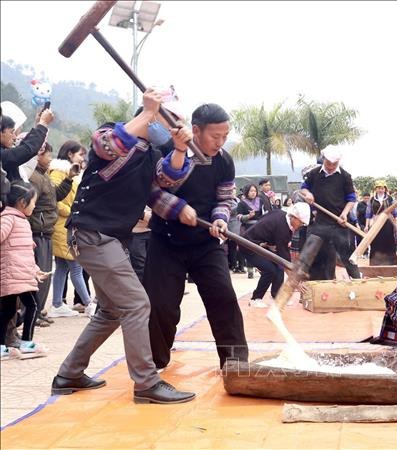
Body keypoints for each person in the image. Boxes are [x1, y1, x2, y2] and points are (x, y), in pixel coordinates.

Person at [51, 89, 194, 404]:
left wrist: (181, 149)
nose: (173, 128)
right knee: (137, 304)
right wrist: (148, 113)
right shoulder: (112, 132)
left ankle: (69, 373)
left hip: (110, 238)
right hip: (92, 233)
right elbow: (108, 146)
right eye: (171, 122)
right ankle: (146, 383)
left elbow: (167, 180)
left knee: (112, 311)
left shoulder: (152, 155)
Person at [145, 103, 249, 372]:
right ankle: (155, 364)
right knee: (161, 305)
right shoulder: (168, 149)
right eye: (215, 136)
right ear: (195, 131)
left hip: (205, 242)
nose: (221, 142)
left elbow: (226, 198)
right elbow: (154, 192)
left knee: (224, 298)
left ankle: (236, 362)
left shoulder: (224, 160)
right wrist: (178, 209)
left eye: (225, 136)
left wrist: (219, 218)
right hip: (166, 240)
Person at [1, 181, 50, 359]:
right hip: (14, 275)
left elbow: (26, 252)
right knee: (33, 305)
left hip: (20, 275)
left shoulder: (21, 221)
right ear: (22, 202)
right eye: (33, 202)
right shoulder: (9, 219)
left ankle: (2, 346)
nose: (35, 205)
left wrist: (35, 270)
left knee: (7, 312)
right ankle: (27, 342)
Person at [28, 143, 75, 323]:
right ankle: (32, 313)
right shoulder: (34, 178)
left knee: (46, 275)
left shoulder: (43, 176)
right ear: (38, 155)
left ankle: (38, 311)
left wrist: (69, 179)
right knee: (39, 276)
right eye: (48, 155)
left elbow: (54, 196)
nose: (50, 159)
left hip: (46, 231)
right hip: (38, 231)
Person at [48, 141, 94, 318]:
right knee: (75, 266)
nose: (82, 158)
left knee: (62, 267)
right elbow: (55, 200)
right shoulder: (59, 172)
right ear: (70, 154)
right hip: (63, 225)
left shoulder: (70, 172)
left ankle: (57, 304)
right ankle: (89, 304)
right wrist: (72, 213)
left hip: (67, 225)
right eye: (80, 154)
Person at [300, 145, 361, 280]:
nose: (331, 166)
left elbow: (351, 199)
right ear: (323, 159)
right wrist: (308, 194)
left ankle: (358, 282)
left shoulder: (345, 176)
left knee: (347, 256)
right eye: (329, 163)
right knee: (310, 254)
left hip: (339, 222)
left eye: (335, 164)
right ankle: (306, 284)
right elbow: (303, 188)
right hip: (319, 223)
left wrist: (345, 213)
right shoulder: (314, 174)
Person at [241, 203, 311, 308]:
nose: (300, 226)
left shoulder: (281, 214)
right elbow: (284, 258)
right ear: (294, 218)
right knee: (269, 270)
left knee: (279, 268)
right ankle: (255, 298)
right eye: (301, 223)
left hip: (262, 245)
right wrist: (295, 281)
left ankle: (277, 297)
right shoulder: (282, 227)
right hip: (248, 245)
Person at [1, 108, 53, 182]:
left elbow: (24, 147)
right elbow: (26, 150)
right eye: (11, 132)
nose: (15, 137)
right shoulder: (3, 155)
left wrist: (39, 125)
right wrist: (43, 124)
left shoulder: (6, 151)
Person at [365, 179, 397, 266]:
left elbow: (395, 213)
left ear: (385, 189)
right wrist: (367, 226)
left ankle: (390, 263)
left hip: (388, 223)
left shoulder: (390, 198)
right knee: (376, 242)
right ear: (375, 189)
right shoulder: (372, 200)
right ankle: (375, 263)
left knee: (388, 242)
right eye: (378, 188)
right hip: (375, 223)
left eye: (382, 188)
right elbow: (368, 214)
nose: (380, 190)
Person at [236, 183, 264, 279]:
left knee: (260, 249)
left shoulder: (260, 201)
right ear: (246, 192)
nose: (253, 193)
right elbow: (238, 217)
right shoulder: (242, 203)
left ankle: (262, 268)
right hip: (248, 229)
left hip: (259, 228)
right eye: (251, 191)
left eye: (255, 191)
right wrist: (248, 216)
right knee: (250, 249)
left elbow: (264, 214)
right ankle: (250, 270)